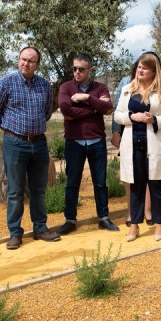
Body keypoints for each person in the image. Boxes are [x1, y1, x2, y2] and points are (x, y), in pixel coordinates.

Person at [0, 46, 59, 251]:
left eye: (30, 61)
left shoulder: (44, 86)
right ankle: (14, 232)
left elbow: (47, 112)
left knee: (39, 189)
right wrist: (12, 130)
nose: (25, 64)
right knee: (15, 191)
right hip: (14, 143)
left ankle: (40, 228)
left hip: (38, 143)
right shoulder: (5, 83)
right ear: (18, 60)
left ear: (37, 64)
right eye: (22, 59)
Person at [114, 52, 161, 242]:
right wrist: (131, 117)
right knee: (135, 186)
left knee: (157, 186)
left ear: (153, 71)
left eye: (145, 68)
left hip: (155, 145)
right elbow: (118, 114)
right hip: (133, 144)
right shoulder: (128, 89)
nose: (140, 70)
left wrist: (155, 119)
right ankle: (134, 226)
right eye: (139, 67)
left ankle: (160, 225)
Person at [57, 53, 119, 234]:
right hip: (74, 143)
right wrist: (95, 108)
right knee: (72, 183)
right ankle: (70, 220)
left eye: (81, 69)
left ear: (90, 70)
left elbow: (108, 109)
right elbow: (66, 110)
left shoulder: (100, 87)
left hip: (97, 142)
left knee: (100, 182)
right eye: (74, 68)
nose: (76, 72)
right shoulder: (66, 87)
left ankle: (104, 218)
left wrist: (87, 99)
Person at [111, 62, 152, 226]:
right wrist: (116, 132)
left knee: (150, 174)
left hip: (149, 136)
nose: (141, 70)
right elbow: (117, 109)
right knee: (130, 175)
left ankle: (148, 211)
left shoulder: (156, 84)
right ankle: (131, 212)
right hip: (129, 135)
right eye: (140, 66)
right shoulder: (125, 83)